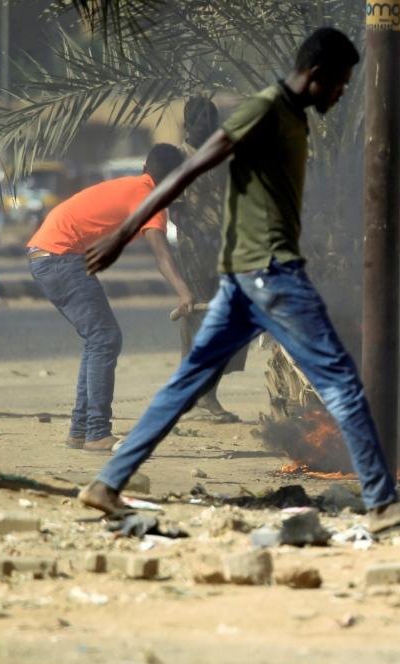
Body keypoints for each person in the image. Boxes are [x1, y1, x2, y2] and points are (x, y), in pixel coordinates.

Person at [77, 27, 400, 533]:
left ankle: (106, 484)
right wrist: (124, 230)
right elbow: (189, 169)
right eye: (340, 82)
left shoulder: (292, 116)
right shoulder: (266, 109)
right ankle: (381, 503)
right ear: (317, 73)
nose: (342, 93)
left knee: (187, 383)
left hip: (243, 279)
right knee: (342, 384)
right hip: (271, 274)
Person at [26, 146, 195, 452]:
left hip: (48, 254)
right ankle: (96, 433)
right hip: (59, 257)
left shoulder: (134, 186)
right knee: (104, 338)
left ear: (145, 168)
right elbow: (161, 254)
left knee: (97, 339)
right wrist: (184, 291)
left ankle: (81, 431)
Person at [170, 96, 247, 423]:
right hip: (195, 252)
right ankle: (201, 397)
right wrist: (202, 237)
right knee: (201, 321)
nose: (206, 125)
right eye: (200, 120)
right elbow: (175, 210)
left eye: (210, 119)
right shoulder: (178, 159)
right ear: (187, 124)